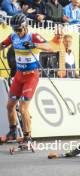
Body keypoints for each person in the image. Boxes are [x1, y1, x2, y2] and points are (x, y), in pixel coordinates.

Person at [0, 14, 50, 144]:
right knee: (10, 105)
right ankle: (12, 132)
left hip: (31, 76)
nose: (18, 32)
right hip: (19, 75)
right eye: (15, 29)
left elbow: (49, 46)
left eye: (19, 29)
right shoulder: (13, 36)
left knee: (23, 108)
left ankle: (27, 137)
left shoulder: (33, 36)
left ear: (25, 27)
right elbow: (3, 45)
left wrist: (34, 45)